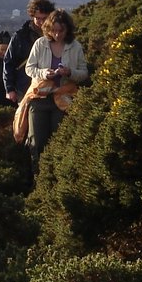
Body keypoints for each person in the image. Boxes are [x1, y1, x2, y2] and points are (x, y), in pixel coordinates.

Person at [24, 9, 88, 175]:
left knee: (59, 142)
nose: (57, 34)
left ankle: (55, 179)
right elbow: (29, 68)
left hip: (63, 99)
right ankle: (38, 180)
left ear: (67, 30)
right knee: (37, 143)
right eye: (54, 30)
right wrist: (44, 73)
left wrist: (70, 72)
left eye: (61, 31)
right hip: (40, 97)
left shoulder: (75, 47)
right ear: (48, 29)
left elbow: (84, 73)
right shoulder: (40, 44)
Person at [3, 0, 56, 104]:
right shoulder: (20, 36)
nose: (41, 22)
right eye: (38, 18)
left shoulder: (58, 34)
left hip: (52, 87)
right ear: (32, 16)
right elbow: (9, 62)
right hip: (25, 87)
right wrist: (10, 89)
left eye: (44, 18)